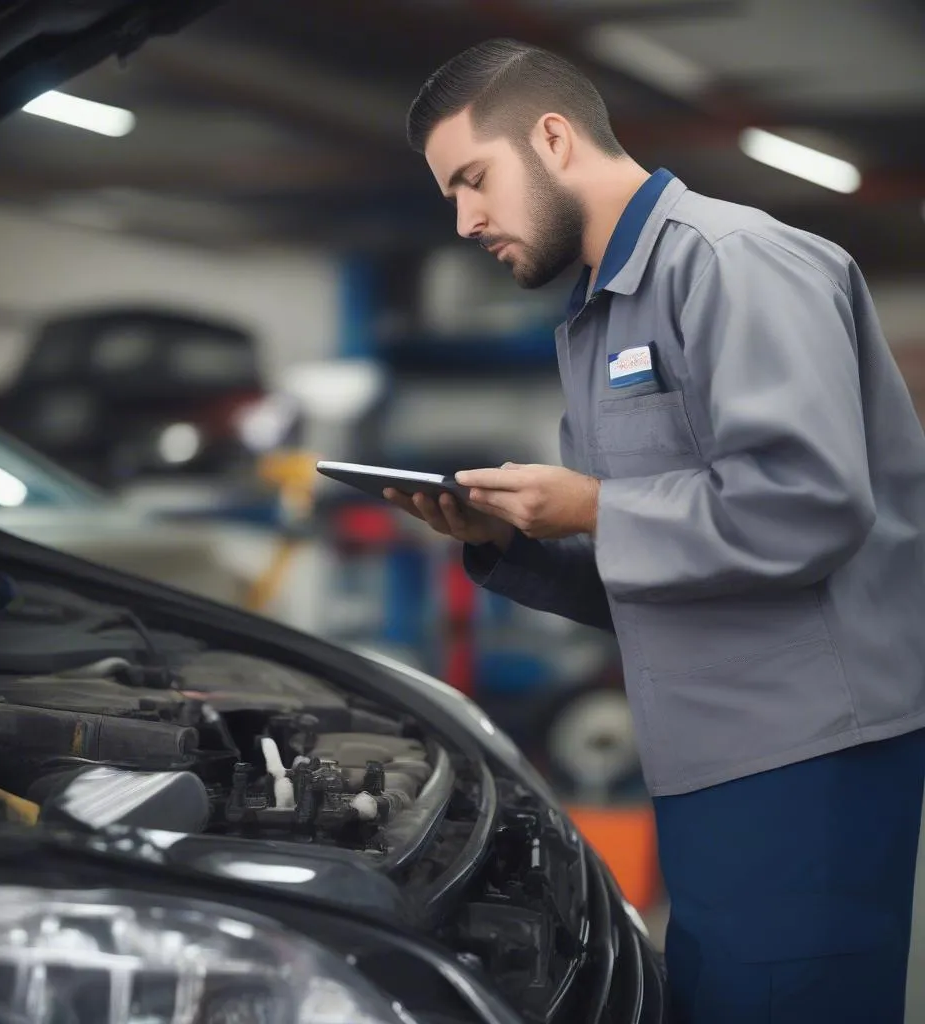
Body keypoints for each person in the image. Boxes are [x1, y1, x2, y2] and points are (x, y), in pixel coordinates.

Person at [385, 38, 925, 1024]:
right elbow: (660, 568)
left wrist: (591, 505)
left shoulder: (735, 262)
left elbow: (809, 501)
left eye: (473, 180)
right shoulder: (595, 321)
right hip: (705, 761)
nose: (464, 220)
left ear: (552, 137)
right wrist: (506, 541)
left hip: (804, 760)